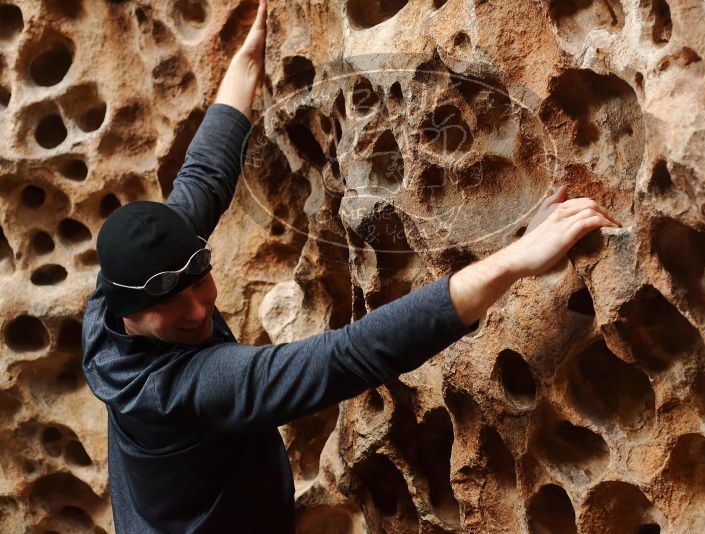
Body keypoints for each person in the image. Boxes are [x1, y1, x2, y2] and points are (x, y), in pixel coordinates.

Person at [81, 0, 621, 531]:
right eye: (172, 306)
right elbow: (345, 357)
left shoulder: (127, 283)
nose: (199, 311)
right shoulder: (182, 389)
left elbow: (203, 176)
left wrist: (247, 63)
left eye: (201, 285)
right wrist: (515, 260)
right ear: (130, 312)